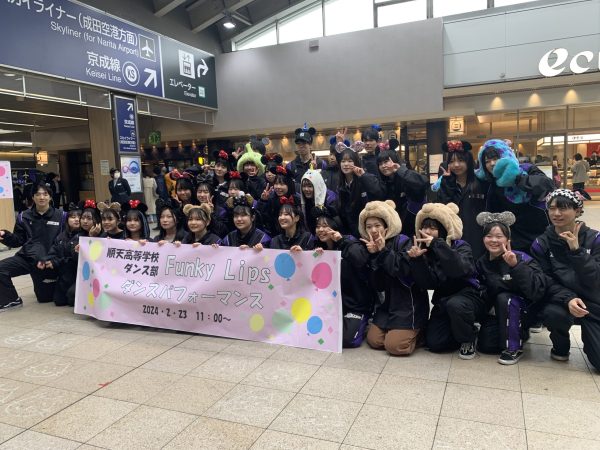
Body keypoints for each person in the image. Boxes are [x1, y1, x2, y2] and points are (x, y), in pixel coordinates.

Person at [531, 189, 600, 369]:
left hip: (593, 302)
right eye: (552, 208)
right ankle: (560, 345)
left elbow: (596, 279)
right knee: (553, 313)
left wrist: (577, 252)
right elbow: (545, 280)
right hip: (560, 300)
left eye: (563, 208)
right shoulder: (541, 243)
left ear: (577, 210)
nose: (556, 213)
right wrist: (568, 299)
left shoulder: (595, 239)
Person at [406, 203, 483, 360]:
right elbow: (428, 284)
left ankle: (468, 338)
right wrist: (418, 261)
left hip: (468, 296)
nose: (427, 231)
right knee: (435, 343)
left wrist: (437, 244)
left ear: (443, 228)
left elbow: (460, 269)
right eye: (424, 227)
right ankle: (461, 328)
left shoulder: (460, 245)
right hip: (444, 301)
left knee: (455, 305)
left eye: (433, 227)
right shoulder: (427, 251)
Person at [475, 211, 547, 364]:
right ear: (483, 239)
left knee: (505, 298)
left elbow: (536, 290)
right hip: (497, 312)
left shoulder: (522, 258)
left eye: (499, 236)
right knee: (486, 346)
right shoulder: (482, 262)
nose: (494, 240)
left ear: (508, 239)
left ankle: (514, 347)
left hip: (524, 310)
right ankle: (518, 333)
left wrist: (515, 266)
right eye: (489, 236)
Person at [360, 200, 429, 356]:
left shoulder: (403, 241)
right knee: (374, 341)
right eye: (368, 227)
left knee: (395, 346)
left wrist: (383, 251)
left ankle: (420, 332)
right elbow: (378, 285)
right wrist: (374, 255)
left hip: (408, 305)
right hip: (389, 305)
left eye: (377, 225)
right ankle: (397, 332)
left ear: (386, 226)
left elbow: (400, 270)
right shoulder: (371, 246)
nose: (373, 230)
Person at [475, 139, 555, 253]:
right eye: (487, 161)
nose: (492, 164)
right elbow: (493, 213)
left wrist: (517, 178)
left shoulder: (526, 169)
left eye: (496, 158)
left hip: (541, 233)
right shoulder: (493, 184)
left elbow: (547, 185)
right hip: (516, 240)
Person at [314, 209, 376, 347]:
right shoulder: (318, 247)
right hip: (332, 304)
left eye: (325, 226)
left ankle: (365, 322)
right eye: (318, 227)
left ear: (335, 227)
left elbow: (360, 259)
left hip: (355, 305)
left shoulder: (349, 241)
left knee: (348, 340)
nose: (321, 230)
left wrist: (341, 241)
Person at [0, 182, 67, 309]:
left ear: (50, 197)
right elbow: (18, 240)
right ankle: (11, 300)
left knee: (45, 298)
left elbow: (66, 241)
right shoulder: (23, 216)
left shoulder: (61, 216)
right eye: (38, 194)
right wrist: (5, 235)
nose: (41, 197)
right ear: (33, 197)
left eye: (45, 194)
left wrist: (54, 260)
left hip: (47, 262)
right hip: (27, 258)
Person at [432, 140, 488, 259]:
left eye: (461, 160)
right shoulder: (446, 184)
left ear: (468, 161)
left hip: (477, 235)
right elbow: (443, 209)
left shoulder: (481, 182)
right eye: (452, 161)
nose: (456, 165)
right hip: (454, 236)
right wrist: (447, 184)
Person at [377, 149, 428, 239]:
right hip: (393, 233)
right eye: (380, 164)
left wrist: (401, 170)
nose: (383, 166)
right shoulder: (384, 183)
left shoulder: (406, 178)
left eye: (386, 162)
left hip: (413, 231)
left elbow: (423, 183)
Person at [336, 148, 385, 238]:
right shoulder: (340, 185)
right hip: (350, 233)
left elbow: (378, 193)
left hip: (369, 231)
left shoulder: (364, 179)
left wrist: (364, 176)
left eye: (350, 161)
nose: (346, 164)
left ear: (356, 163)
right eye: (343, 161)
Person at [40, 203, 82, 307]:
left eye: (79, 217)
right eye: (73, 217)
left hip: (77, 273)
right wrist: (44, 260)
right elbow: (53, 251)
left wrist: (56, 262)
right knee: (59, 301)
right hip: (64, 274)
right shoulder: (61, 236)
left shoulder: (84, 236)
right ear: (67, 220)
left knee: (71, 299)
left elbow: (73, 259)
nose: (76, 219)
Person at [300, 170, 337, 234]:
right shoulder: (305, 201)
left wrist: (325, 212)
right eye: (304, 186)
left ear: (317, 186)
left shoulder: (330, 198)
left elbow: (337, 221)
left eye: (310, 186)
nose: (306, 189)